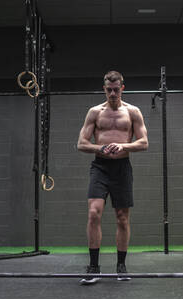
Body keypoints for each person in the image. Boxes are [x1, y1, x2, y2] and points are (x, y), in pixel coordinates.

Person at [77, 71, 148, 285]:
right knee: (93, 213)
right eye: (109, 90)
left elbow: (144, 142)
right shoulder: (94, 112)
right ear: (104, 89)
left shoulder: (133, 112)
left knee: (122, 217)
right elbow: (81, 143)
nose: (113, 93)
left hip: (122, 168)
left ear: (122, 88)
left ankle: (121, 265)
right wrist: (101, 148)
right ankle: (94, 267)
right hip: (100, 167)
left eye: (116, 89)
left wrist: (123, 146)